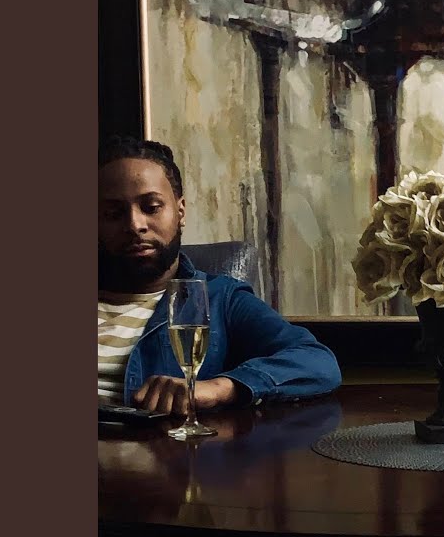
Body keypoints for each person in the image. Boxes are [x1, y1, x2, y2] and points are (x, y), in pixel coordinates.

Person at [98, 136, 341, 413]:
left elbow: (317, 362)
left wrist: (220, 388)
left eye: (151, 207)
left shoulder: (220, 299)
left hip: (148, 441)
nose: (135, 224)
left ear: (180, 211)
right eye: (113, 213)